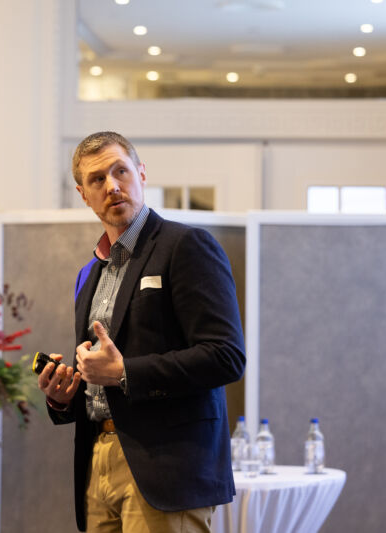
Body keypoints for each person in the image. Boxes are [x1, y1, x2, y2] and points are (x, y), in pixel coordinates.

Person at [37, 131, 246, 532]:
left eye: (121, 171)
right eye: (97, 179)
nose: (112, 186)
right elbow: (100, 379)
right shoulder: (89, 274)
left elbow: (225, 356)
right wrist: (64, 398)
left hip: (168, 468)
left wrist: (124, 372)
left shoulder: (186, 246)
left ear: (141, 174)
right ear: (83, 195)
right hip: (97, 462)